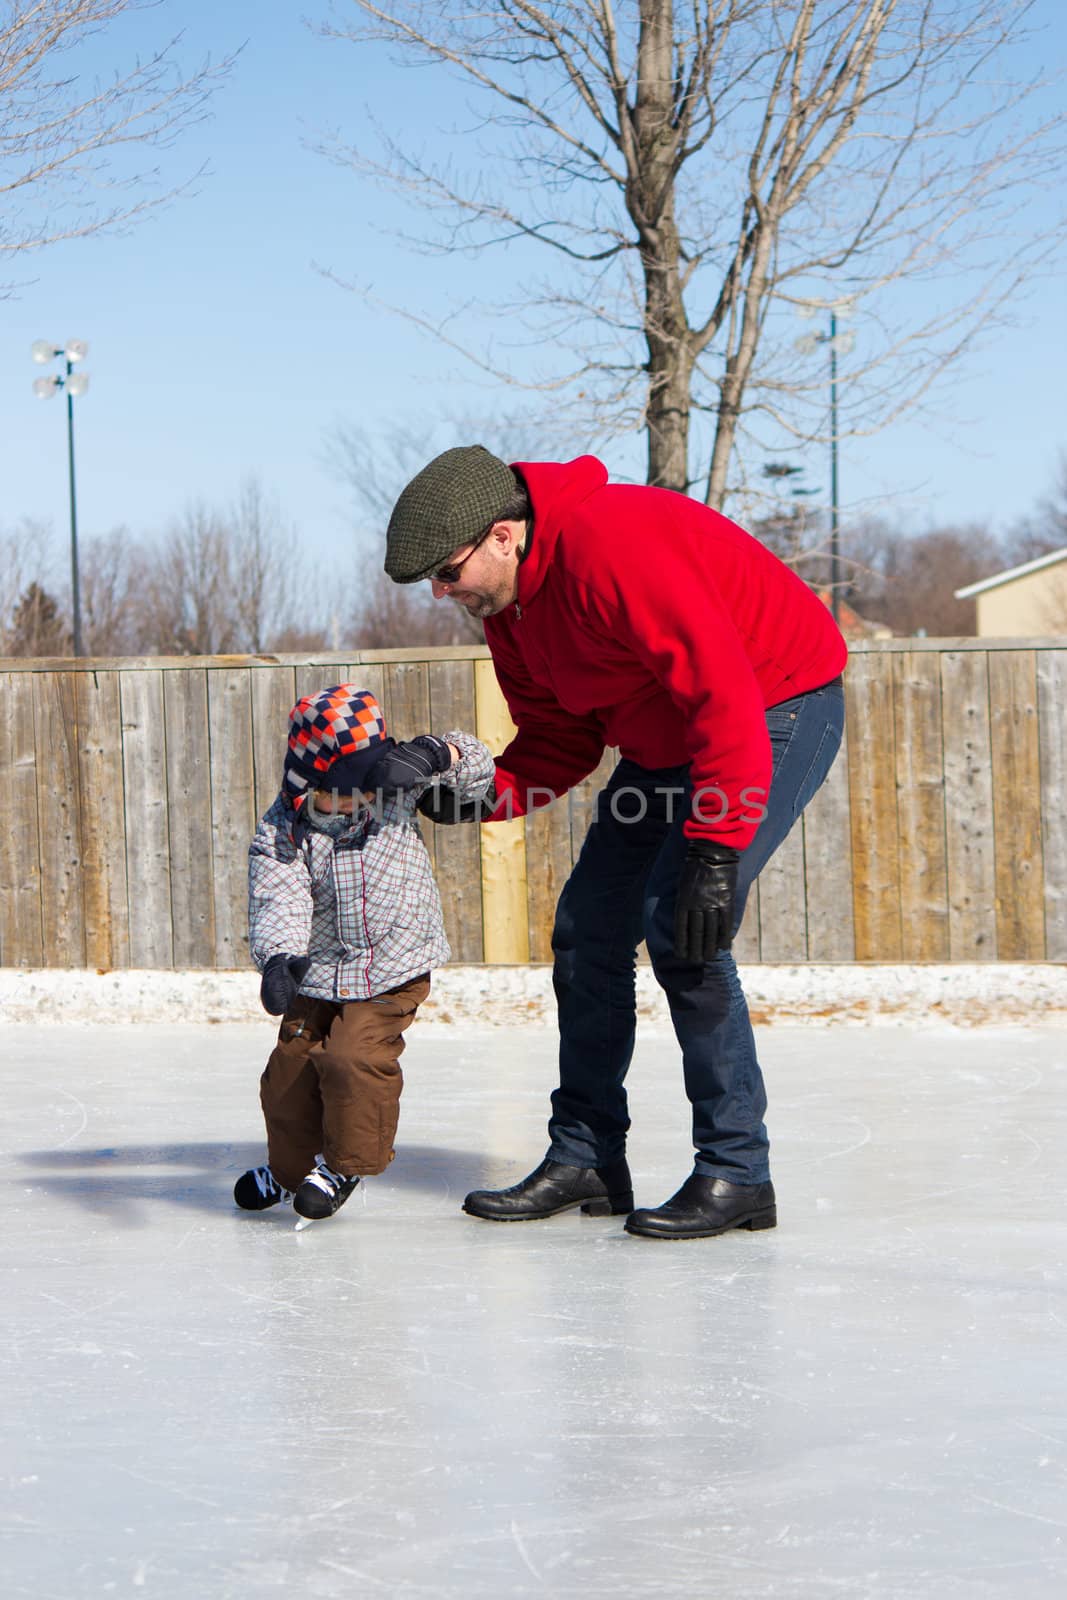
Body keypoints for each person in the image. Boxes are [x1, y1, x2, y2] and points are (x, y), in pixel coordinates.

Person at [384, 447, 847, 1240]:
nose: (441, 591)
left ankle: (737, 1171)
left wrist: (713, 845)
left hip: (773, 706)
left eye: (447, 571)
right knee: (588, 930)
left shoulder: (613, 544)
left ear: (503, 535)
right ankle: (587, 1157)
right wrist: (484, 798)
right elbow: (560, 737)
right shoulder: (511, 611)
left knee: (683, 926)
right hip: (662, 741)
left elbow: (719, 691)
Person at [235, 683, 494, 1223]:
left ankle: (343, 1164)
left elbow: (478, 768)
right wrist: (280, 958)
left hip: (393, 966)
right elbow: (276, 891)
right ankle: (286, 1176)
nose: (360, 800)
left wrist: (432, 752)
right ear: (310, 784)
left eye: (364, 787)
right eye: (344, 790)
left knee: (354, 1058)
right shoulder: (284, 826)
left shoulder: (393, 792)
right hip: (320, 972)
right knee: (287, 1072)